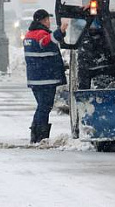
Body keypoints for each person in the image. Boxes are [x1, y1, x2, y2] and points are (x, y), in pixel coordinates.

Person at [23, 9, 68, 144]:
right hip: (46, 78)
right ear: (42, 21)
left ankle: (37, 133)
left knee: (42, 106)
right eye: (47, 19)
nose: (49, 22)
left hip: (35, 78)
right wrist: (61, 30)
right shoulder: (40, 34)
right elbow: (48, 40)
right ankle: (39, 135)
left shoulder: (28, 35)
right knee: (44, 106)